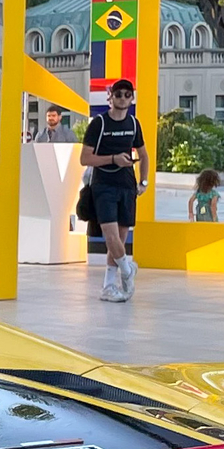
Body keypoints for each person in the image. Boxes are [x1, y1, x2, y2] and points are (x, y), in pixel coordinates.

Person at [82, 78, 147, 301]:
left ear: (132, 97)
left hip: (127, 186)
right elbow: (85, 158)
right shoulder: (99, 124)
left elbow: (144, 154)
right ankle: (128, 271)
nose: (122, 98)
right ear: (111, 97)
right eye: (118, 94)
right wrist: (113, 159)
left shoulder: (133, 124)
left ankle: (109, 286)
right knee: (110, 237)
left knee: (120, 238)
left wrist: (144, 182)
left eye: (126, 94)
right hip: (103, 186)